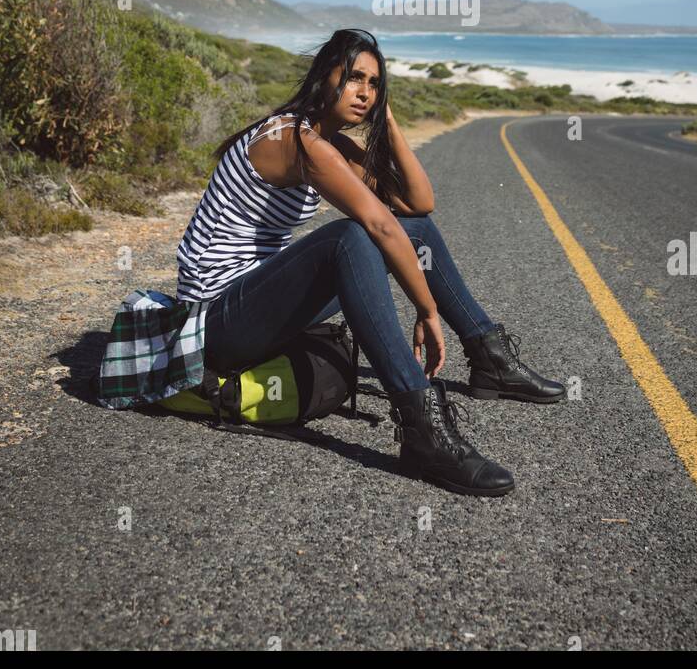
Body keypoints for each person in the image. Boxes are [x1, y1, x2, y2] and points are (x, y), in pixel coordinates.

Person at [177, 28, 564, 497]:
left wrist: (389, 120)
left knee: (412, 231)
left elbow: (418, 204)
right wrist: (426, 311)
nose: (365, 92)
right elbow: (379, 227)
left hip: (255, 305)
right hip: (214, 321)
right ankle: (422, 427)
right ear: (325, 77)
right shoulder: (294, 140)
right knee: (349, 237)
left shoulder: (329, 141)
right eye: (355, 78)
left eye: (375, 85)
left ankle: (490, 358)